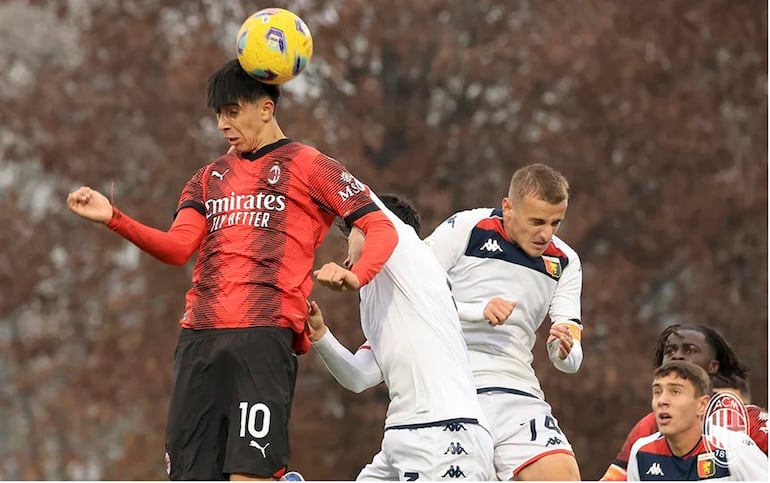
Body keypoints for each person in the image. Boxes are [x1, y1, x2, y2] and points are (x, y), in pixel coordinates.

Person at [66, 59, 398, 481]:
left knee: (249, 474)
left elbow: (379, 224)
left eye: (233, 111)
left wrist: (358, 274)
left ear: (266, 108)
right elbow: (176, 248)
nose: (223, 123)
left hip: (262, 338)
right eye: (219, 114)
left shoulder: (311, 165)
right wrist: (114, 217)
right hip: (199, 339)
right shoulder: (207, 177)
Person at [307, 193, 494, 480]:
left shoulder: (408, 253)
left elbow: (367, 203)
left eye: (352, 236)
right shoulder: (383, 296)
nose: (346, 255)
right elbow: (360, 376)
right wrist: (321, 335)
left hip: (443, 432)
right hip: (402, 436)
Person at [423, 163, 582, 481]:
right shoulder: (466, 228)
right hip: (454, 389)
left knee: (563, 475)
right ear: (507, 207)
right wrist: (476, 311)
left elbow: (571, 358)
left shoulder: (565, 261)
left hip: (519, 393)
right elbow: (415, 296)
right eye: (536, 221)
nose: (546, 234)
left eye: (555, 222)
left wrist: (563, 349)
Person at [600, 324, 768, 481]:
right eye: (670, 351)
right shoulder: (647, 428)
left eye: (690, 350)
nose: (677, 356)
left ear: (713, 366)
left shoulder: (749, 421)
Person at [626, 361, 767, 481]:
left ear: (702, 405)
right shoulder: (641, 452)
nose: (662, 401)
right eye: (657, 392)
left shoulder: (734, 447)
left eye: (675, 392)